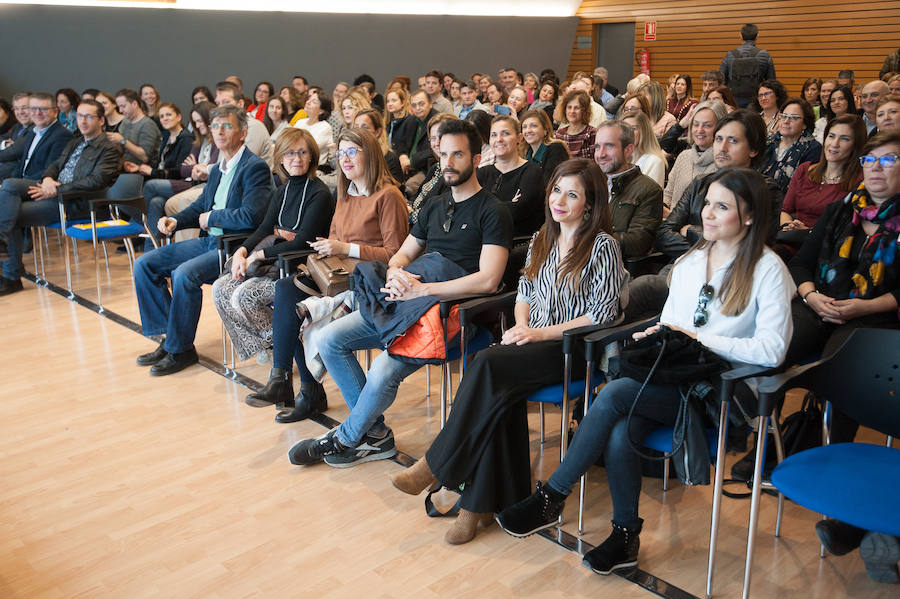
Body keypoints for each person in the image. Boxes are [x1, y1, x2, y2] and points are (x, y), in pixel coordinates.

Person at [496, 166, 793, 576]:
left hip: (722, 392)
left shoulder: (768, 269)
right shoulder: (692, 261)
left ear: (749, 216)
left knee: (616, 395)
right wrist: (658, 334)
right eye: (706, 203)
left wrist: (697, 339)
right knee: (620, 426)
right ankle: (624, 536)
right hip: (674, 377)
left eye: (721, 207)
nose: (706, 214)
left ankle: (552, 497)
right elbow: (672, 323)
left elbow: (773, 350)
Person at [389, 158, 627, 544]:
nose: (560, 200)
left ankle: (436, 466)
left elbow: (600, 314)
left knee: (486, 363)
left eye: (572, 194)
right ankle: (476, 506)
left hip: (571, 350)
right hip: (532, 340)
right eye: (556, 191)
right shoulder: (541, 239)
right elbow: (526, 293)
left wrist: (541, 334)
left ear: (591, 202)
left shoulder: (602, 247)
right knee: (498, 393)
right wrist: (521, 325)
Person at [287, 119, 512, 466]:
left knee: (381, 369)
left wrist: (424, 288)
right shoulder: (436, 205)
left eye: (458, 155)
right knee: (330, 339)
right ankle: (374, 434)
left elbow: (489, 281)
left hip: (451, 314)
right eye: (443, 154)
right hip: (408, 302)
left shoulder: (493, 211)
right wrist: (395, 273)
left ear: (477, 159)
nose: (448, 162)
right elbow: (402, 253)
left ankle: (346, 438)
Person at [256, 128, 409, 423]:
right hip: (338, 274)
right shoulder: (345, 192)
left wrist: (345, 248)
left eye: (352, 152)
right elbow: (335, 241)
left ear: (370, 154)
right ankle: (283, 377)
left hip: (369, 282)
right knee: (286, 291)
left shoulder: (388, 196)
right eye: (341, 153)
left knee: (302, 311)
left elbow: (395, 255)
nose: (345, 159)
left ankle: (308, 392)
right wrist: (331, 248)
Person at [132, 105, 273, 376]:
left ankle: (180, 349)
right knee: (145, 265)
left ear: (243, 132)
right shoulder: (219, 168)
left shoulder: (254, 167)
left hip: (233, 247)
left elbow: (252, 216)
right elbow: (201, 206)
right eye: (215, 126)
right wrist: (177, 221)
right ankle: (171, 340)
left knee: (185, 274)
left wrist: (213, 218)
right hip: (209, 241)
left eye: (227, 126)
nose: (219, 131)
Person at [785, 131, 900, 450]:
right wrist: (811, 295)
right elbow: (801, 264)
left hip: (874, 316)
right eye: (870, 160)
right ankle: (771, 445)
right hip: (819, 303)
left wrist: (865, 307)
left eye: (889, 159)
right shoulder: (840, 210)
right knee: (774, 344)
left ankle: (827, 454)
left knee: (841, 368)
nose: (876, 167)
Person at [212, 128, 334, 366]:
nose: (296, 159)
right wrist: (242, 251)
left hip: (300, 268)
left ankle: (285, 349)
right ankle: (272, 345)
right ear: (280, 158)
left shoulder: (320, 193)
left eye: (302, 152)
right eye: (289, 153)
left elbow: (302, 241)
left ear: (312, 157)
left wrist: (257, 255)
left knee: (244, 296)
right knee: (220, 289)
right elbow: (264, 228)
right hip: (274, 264)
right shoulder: (282, 190)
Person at [0, 100, 120, 294]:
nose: (83, 121)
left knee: (12, 213)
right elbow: (55, 165)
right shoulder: (75, 141)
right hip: (54, 190)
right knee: (9, 184)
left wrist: (58, 189)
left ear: (101, 120)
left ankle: (11, 276)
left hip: (74, 201)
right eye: (80, 116)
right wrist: (48, 179)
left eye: (89, 116)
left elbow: (96, 181)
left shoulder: (109, 149)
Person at [657, 109, 780, 261]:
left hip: (736, 274)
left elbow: (747, 245)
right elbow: (664, 233)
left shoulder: (765, 189)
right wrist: (705, 253)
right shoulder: (700, 183)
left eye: (733, 140)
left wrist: (690, 231)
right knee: (643, 284)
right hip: (687, 265)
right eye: (719, 139)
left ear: (753, 150)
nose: (722, 148)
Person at [144, 101, 220, 247]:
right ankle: (153, 247)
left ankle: (184, 248)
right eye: (195, 122)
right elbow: (184, 168)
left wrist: (197, 167)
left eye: (200, 121)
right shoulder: (199, 140)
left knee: (151, 185)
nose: (197, 125)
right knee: (157, 202)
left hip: (200, 184)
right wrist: (197, 167)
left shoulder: (213, 139)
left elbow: (212, 169)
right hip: (194, 182)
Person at [780, 114, 865, 231]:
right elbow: (785, 210)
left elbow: (847, 228)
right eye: (831, 136)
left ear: (855, 146)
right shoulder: (804, 169)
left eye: (844, 139)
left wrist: (808, 232)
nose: (834, 144)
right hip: (792, 238)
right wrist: (788, 227)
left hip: (826, 245)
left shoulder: (860, 181)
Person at [592, 120, 663, 258]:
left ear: (628, 150)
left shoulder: (649, 190)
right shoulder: (588, 183)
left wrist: (585, 238)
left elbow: (638, 243)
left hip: (615, 269)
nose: (601, 154)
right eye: (597, 147)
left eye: (609, 146)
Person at [476, 115, 545, 236]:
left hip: (518, 243)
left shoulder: (532, 172)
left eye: (506, 133)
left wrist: (483, 207)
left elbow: (519, 211)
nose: (499, 139)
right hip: (481, 240)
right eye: (494, 135)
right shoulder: (482, 172)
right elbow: (469, 208)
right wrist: (508, 204)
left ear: (519, 138)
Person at [663, 100, 728, 217]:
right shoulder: (684, 156)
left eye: (707, 125)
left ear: (720, 127)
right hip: (669, 227)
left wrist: (672, 217)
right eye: (696, 124)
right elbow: (668, 194)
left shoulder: (724, 164)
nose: (699, 130)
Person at [6, 93, 72, 184]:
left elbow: (52, 169)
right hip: (21, 183)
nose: (37, 113)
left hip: (40, 184)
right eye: (33, 109)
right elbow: (22, 165)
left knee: (9, 186)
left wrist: (15, 183)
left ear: (55, 112)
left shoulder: (62, 135)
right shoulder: (32, 133)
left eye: (43, 109)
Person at [760, 98, 822, 193]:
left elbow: (806, 187)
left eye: (794, 117)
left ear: (805, 124)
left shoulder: (813, 148)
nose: (786, 121)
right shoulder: (768, 142)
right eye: (783, 116)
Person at [408, 113, 458, 224]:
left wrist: (410, 214)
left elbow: (439, 215)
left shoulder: (456, 173)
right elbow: (416, 198)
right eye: (433, 138)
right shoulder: (436, 167)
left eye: (441, 137)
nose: (436, 143)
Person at [213, 81, 274, 168]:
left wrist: (207, 169)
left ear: (240, 104)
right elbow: (221, 163)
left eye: (226, 102)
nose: (221, 108)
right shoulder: (224, 128)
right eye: (218, 103)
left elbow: (240, 165)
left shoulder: (254, 126)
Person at [126, 102, 192, 181]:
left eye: (168, 115)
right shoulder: (166, 136)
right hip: (160, 178)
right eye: (161, 116)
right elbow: (160, 164)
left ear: (178, 117)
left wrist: (153, 172)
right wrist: (139, 168)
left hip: (174, 181)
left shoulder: (186, 139)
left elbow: (180, 171)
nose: (165, 118)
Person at [720, 23, 777, 107]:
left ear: (740, 36)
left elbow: (721, 80)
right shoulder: (765, 55)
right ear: (757, 36)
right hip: (757, 100)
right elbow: (772, 83)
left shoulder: (730, 55)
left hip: (734, 100)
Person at [108, 88, 161, 173]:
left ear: (134, 104)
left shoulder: (147, 125)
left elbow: (144, 157)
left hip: (140, 171)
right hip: (123, 167)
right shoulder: (125, 121)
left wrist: (122, 141)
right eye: (119, 107)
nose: (121, 110)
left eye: (123, 106)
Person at [353, 108, 404, 184]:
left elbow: (393, 190)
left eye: (365, 127)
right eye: (356, 127)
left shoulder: (389, 158)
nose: (359, 132)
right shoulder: (351, 155)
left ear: (378, 132)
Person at [521, 109, 569, 187]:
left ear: (545, 130)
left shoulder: (556, 148)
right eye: (524, 127)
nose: (528, 130)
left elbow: (549, 185)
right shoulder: (526, 153)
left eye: (533, 126)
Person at [621, 111, 667, 188]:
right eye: (624, 129)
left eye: (633, 128)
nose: (628, 133)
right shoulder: (621, 158)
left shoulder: (654, 161)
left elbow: (650, 196)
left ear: (644, 131)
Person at [293, 91, 334, 170]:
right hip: (295, 163)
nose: (308, 102)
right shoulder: (300, 122)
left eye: (314, 102)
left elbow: (309, 149)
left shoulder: (325, 127)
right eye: (309, 99)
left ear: (321, 111)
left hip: (314, 168)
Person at [554, 90, 596, 159]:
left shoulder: (592, 133)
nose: (572, 111)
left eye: (577, 108)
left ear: (584, 110)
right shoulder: (558, 135)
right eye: (569, 107)